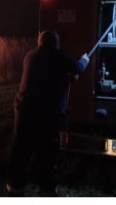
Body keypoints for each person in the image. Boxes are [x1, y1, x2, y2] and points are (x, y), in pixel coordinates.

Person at [6, 30, 89, 196]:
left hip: (24, 112)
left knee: (21, 152)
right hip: (46, 115)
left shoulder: (30, 55)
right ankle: (47, 191)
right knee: (47, 154)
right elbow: (78, 68)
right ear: (55, 44)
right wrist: (85, 59)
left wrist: (66, 77)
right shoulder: (56, 57)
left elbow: (46, 77)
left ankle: (14, 188)